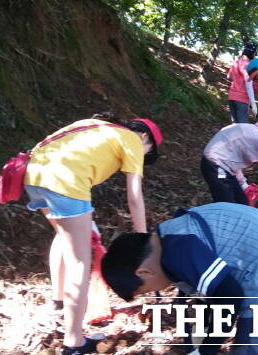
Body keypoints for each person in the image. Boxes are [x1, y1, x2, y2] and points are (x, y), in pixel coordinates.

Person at [22, 114, 163, 355]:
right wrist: (143, 241)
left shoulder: (97, 126)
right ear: (144, 137)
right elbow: (134, 198)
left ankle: (58, 301)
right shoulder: (132, 140)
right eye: (148, 152)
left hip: (33, 174)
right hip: (65, 183)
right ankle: (74, 343)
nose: (144, 157)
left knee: (63, 237)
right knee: (80, 259)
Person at [101, 202, 258, 355]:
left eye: (146, 291)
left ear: (143, 272)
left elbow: (230, 298)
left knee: (249, 349)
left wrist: (207, 349)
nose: (157, 292)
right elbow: (207, 294)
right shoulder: (168, 235)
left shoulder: (178, 253)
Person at [227, 42, 258, 123]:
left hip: (231, 97)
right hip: (242, 99)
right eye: (255, 54)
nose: (254, 57)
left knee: (235, 125)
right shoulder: (248, 65)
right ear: (252, 53)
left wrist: (237, 80)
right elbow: (248, 84)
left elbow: (229, 76)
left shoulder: (236, 63)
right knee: (242, 126)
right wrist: (253, 103)